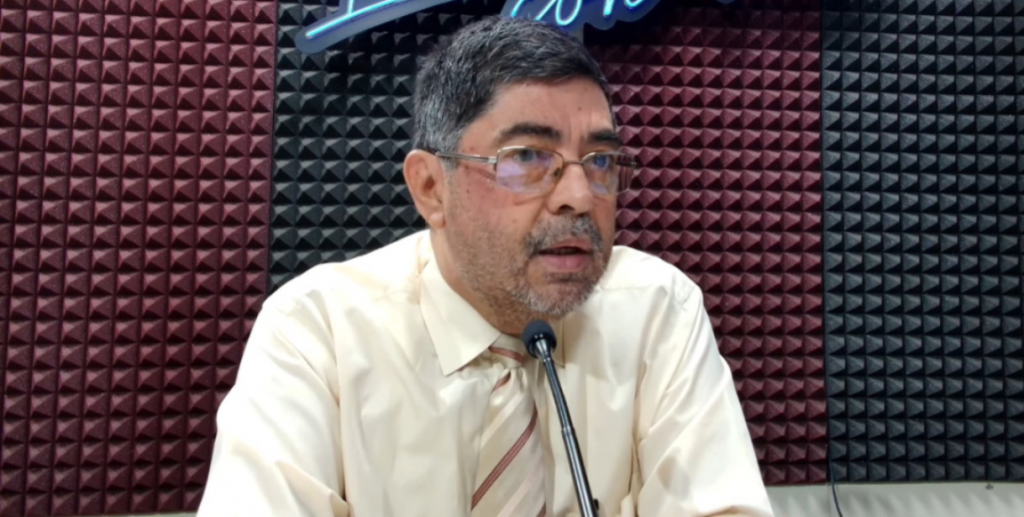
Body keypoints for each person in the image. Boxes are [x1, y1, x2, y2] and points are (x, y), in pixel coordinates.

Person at [197, 16, 774, 517]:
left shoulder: (657, 309)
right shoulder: (316, 331)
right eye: (527, 157)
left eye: (600, 160)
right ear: (431, 188)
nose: (580, 195)